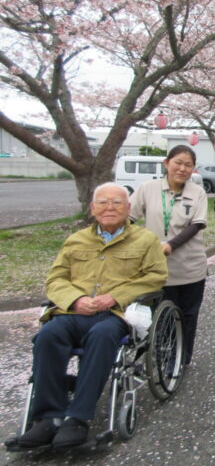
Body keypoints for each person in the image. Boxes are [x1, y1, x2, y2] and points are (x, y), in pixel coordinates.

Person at [11, 183, 167, 449]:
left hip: (114, 315)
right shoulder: (76, 240)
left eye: (117, 203)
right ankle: (48, 418)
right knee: (47, 336)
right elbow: (56, 278)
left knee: (102, 335)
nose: (110, 208)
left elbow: (156, 277)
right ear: (93, 208)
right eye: (103, 202)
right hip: (73, 312)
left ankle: (77, 418)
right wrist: (75, 299)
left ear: (128, 208)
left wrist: (116, 296)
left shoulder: (145, 240)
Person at [130, 145, 207, 366]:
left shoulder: (197, 192)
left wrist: (171, 245)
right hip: (157, 269)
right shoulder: (147, 188)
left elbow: (197, 224)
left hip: (190, 267)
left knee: (188, 315)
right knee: (159, 316)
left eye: (188, 165)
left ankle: (182, 358)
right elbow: (128, 219)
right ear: (167, 163)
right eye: (178, 163)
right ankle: (162, 356)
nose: (183, 169)